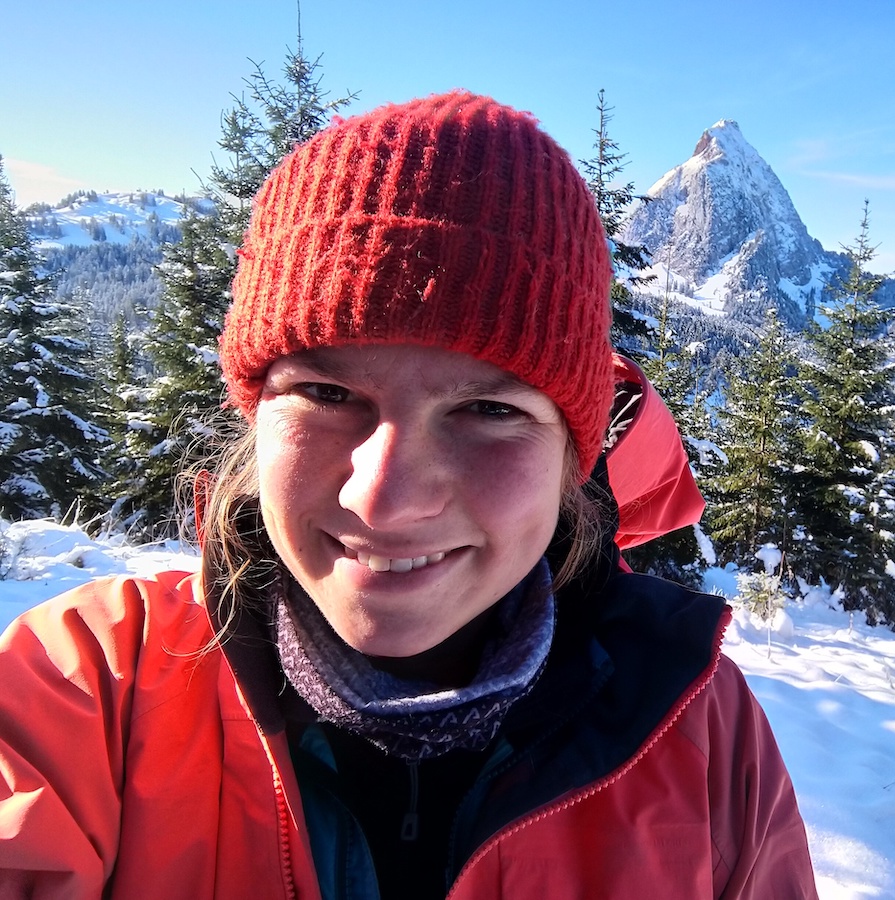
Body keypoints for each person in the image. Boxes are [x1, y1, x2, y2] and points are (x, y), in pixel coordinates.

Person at [0, 91, 819, 899]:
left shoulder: (699, 732)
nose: (386, 499)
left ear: (576, 453)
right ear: (254, 417)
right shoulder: (85, 691)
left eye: (489, 409)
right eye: (325, 394)